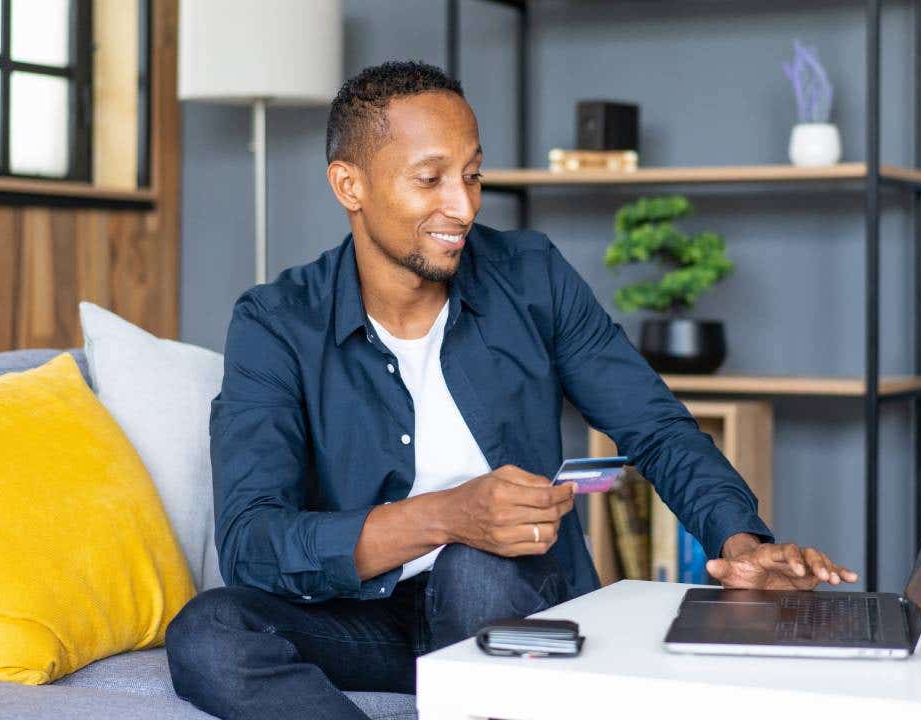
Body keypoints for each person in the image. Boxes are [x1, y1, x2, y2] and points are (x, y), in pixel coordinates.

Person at [166, 60, 858, 720]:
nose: (461, 207)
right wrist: (443, 515)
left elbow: (654, 425)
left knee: (475, 568)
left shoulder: (530, 276)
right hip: (364, 619)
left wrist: (739, 543)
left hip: (517, 600)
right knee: (210, 631)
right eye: (430, 179)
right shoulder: (277, 321)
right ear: (350, 185)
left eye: (472, 176)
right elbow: (253, 539)